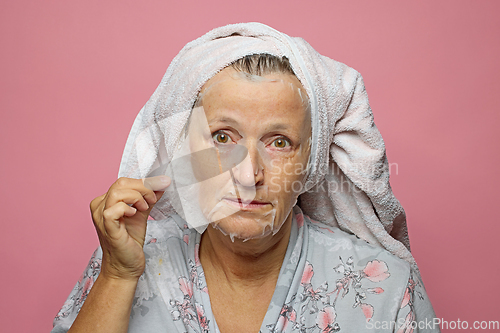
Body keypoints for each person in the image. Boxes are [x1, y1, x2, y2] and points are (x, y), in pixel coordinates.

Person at [52, 23, 439, 333]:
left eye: (279, 142)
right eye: (223, 137)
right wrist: (118, 275)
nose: (248, 174)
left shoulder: (384, 286)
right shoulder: (127, 259)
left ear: (310, 163)